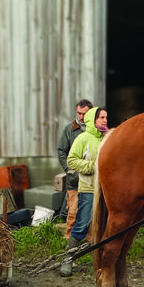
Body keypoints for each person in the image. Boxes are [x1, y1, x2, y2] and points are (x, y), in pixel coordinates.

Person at [60, 106, 108, 276]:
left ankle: (103, 260)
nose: (104, 120)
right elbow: (71, 161)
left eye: (105, 117)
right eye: (101, 117)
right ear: (92, 120)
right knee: (82, 224)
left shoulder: (107, 138)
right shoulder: (82, 138)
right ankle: (68, 260)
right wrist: (92, 166)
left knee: (104, 225)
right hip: (88, 189)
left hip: (105, 191)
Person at [57, 99, 93, 239]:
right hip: (75, 180)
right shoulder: (69, 129)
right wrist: (68, 169)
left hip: (90, 179)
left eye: (84, 114)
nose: (81, 117)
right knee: (73, 212)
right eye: (79, 113)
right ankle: (70, 243)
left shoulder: (95, 129)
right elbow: (61, 151)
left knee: (90, 212)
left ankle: (88, 243)